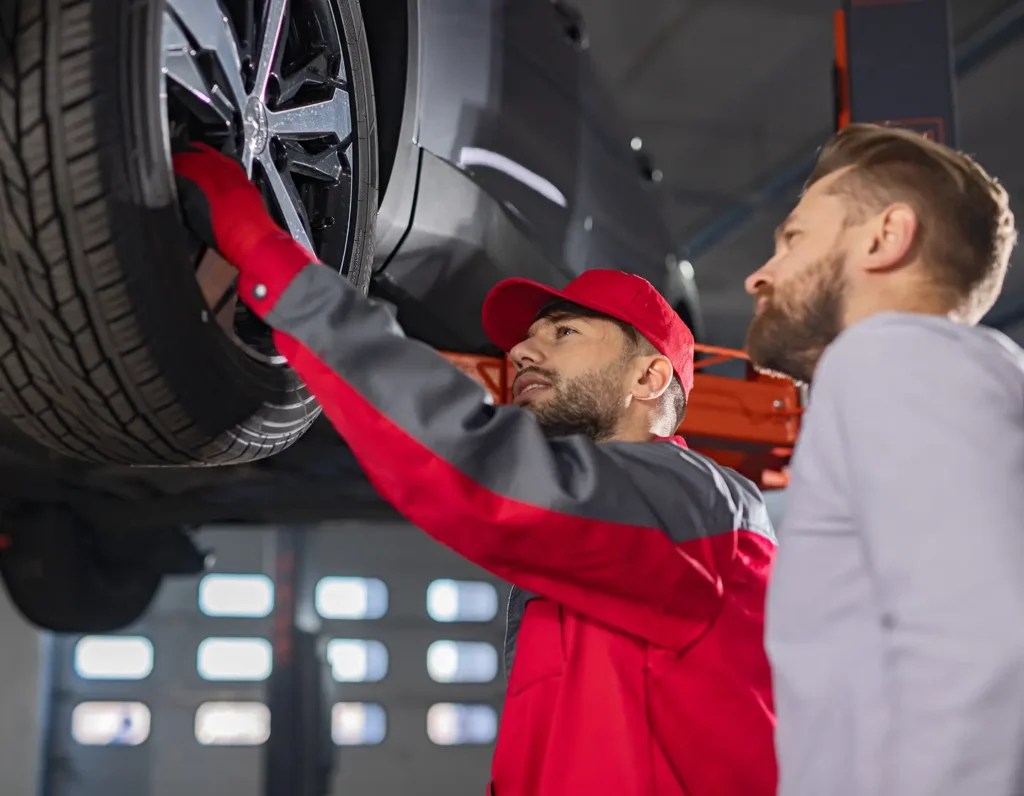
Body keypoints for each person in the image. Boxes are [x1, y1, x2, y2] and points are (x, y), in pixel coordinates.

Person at [173, 143, 779, 796]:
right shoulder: (588, 557)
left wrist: (268, 257)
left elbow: (474, 466)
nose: (519, 350)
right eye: (527, 339)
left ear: (650, 374)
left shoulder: (698, 509)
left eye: (564, 333)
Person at [743, 122, 1024, 796]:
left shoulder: (890, 358)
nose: (760, 275)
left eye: (794, 238)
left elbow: (986, 645)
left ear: (884, 237)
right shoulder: (968, 375)